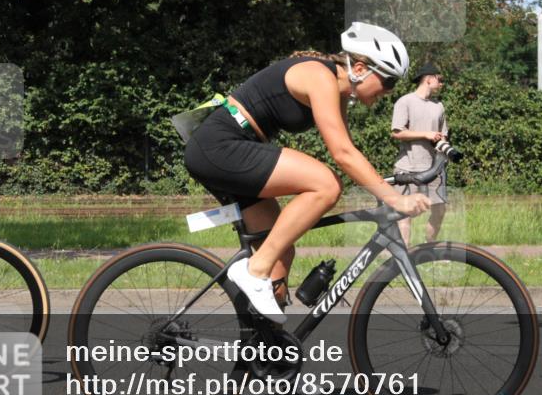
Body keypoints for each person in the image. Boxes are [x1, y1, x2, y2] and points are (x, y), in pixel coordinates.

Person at [184, 22, 431, 323]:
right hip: (220, 145)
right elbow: (342, 155)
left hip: (231, 149)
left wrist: (383, 183)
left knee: (280, 253)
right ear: (362, 68)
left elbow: (346, 149)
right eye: (389, 81)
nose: (390, 91)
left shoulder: (336, 88)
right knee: (326, 185)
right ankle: (254, 270)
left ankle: (263, 354)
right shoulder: (320, 77)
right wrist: (393, 198)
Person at [391, 61, 448, 247]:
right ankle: (403, 256)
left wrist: (442, 144)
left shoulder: (438, 106)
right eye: (440, 80)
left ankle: (430, 247)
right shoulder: (405, 101)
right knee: (405, 214)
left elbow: (443, 135)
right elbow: (397, 132)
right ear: (429, 79)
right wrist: (425, 134)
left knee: (439, 211)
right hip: (407, 168)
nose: (442, 83)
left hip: (433, 169)